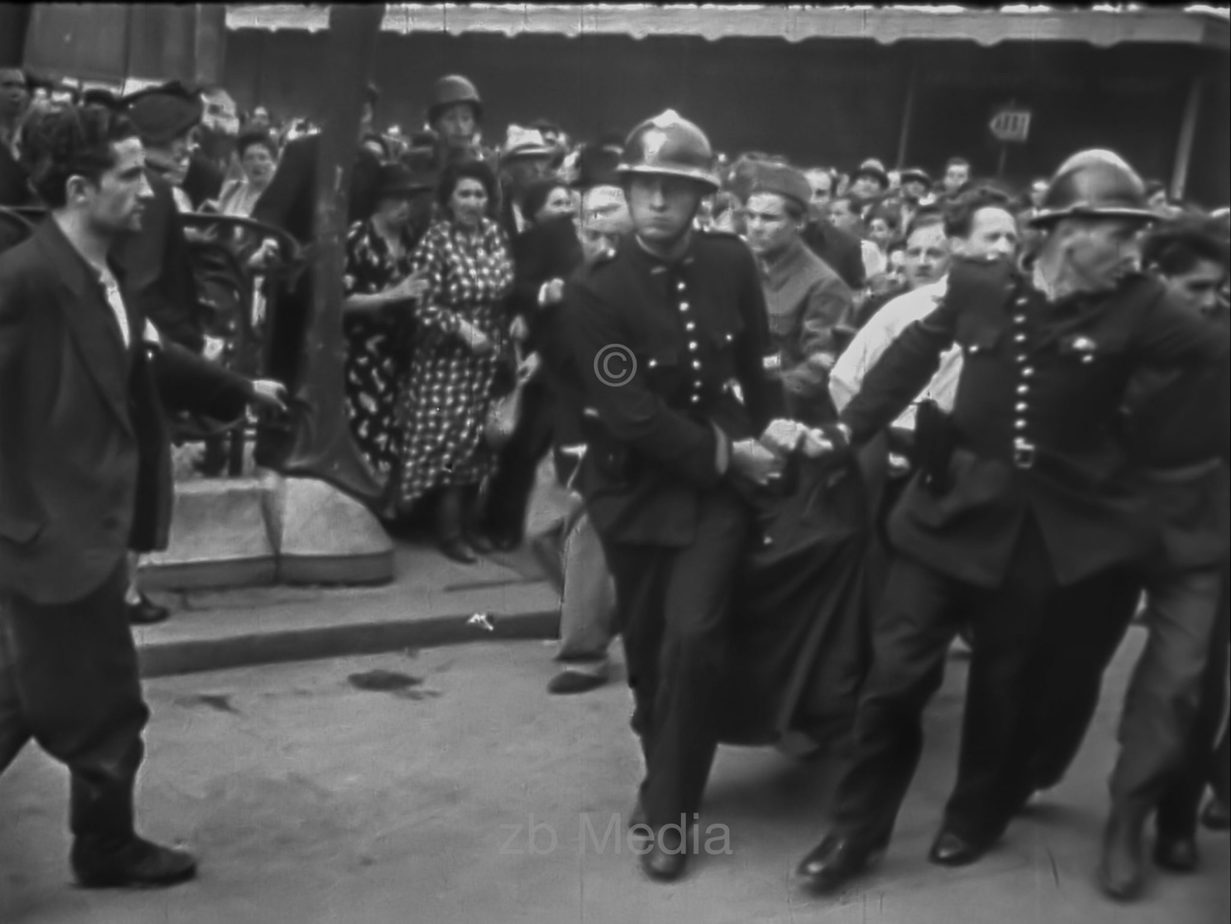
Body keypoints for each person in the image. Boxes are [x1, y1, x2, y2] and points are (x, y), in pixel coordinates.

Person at [785, 148, 1228, 895]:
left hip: (1042, 535)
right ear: (1064, 229)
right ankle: (855, 831)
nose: (1131, 252)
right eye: (1117, 234)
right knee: (892, 682)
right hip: (945, 515)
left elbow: (1218, 354)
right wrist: (844, 433)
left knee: (1004, 685)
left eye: (1135, 236)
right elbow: (908, 356)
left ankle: (975, 814)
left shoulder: (1141, 307)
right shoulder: (978, 284)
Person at [0, 102, 286, 890]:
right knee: (102, 707)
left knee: (34, 696)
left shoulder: (101, 274)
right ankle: (106, 847)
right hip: (49, 533)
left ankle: (104, 843)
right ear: (82, 190)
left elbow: (144, 355)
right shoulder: (24, 282)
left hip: (77, 530)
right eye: (132, 175)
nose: (152, 191)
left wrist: (238, 389)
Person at [562, 109, 779, 882]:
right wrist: (733, 457)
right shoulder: (594, 290)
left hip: (718, 491)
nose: (656, 203)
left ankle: (672, 813)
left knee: (695, 638)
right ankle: (663, 776)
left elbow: (755, 367)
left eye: (674, 190)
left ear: (701, 199)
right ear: (625, 191)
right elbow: (629, 412)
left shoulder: (730, 263)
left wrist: (773, 436)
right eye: (644, 187)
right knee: (651, 653)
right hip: (635, 488)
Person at [997, 215, 1231, 899]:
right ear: (1154, 285)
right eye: (1195, 289)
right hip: (1101, 522)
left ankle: (1129, 821)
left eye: (1220, 290)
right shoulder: (1097, 337)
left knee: (1178, 682)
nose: (1210, 303)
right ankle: (1032, 767)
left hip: (1195, 528)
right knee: (1065, 661)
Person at [393, 159, 514, 563]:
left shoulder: (495, 235)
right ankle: (447, 531)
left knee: (482, 447)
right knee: (450, 448)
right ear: (448, 198)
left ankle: (472, 526)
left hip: (488, 357)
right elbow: (422, 304)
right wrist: (463, 329)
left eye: (480, 194)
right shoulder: (435, 240)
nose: (473, 202)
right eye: (465, 193)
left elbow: (506, 289)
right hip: (446, 357)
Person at [340, 163, 433, 486]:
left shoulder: (412, 238)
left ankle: (394, 512)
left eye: (410, 199)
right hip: (363, 356)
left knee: (401, 438)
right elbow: (337, 302)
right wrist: (391, 296)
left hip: (404, 354)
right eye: (397, 198)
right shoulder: (356, 238)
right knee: (367, 437)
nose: (405, 206)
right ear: (379, 200)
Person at [744, 161, 854, 424]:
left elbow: (819, 368)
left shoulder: (824, 285)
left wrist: (761, 395)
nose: (756, 226)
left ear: (800, 222)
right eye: (750, 215)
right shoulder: (740, 265)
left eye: (769, 218)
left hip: (783, 415)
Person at [214, 129, 278, 219]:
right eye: (249, 158)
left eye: (263, 158)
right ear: (242, 163)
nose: (256, 163)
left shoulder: (281, 198)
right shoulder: (231, 189)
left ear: (274, 162)